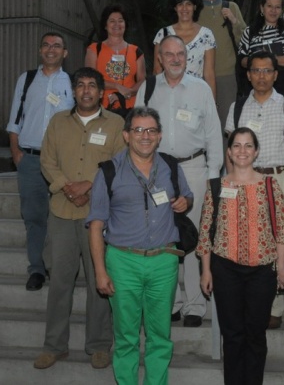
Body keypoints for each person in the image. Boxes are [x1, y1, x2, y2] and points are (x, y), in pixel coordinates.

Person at [87, 106, 194, 385]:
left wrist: (185, 202)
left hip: (164, 261)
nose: (145, 136)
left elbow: (187, 196)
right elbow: (96, 226)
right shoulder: (109, 171)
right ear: (126, 135)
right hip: (123, 262)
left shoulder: (171, 166)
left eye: (151, 130)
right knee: (126, 337)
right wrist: (100, 271)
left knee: (160, 336)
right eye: (138, 130)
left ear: (159, 136)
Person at [35, 67, 126, 370]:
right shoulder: (58, 122)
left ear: (101, 92)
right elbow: (47, 161)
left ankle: (98, 345)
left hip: (98, 214)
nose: (86, 91)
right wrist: (67, 187)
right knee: (60, 282)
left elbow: (119, 163)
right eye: (81, 85)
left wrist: (89, 185)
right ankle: (54, 346)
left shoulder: (116, 124)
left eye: (92, 86)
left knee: (99, 280)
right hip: (62, 211)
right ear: (73, 91)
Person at [138, 35, 223, 328]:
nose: (175, 59)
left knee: (195, 235)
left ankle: (195, 304)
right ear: (160, 58)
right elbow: (136, 130)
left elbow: (213, 133)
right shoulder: (148, 88)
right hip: (158, 171)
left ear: (187, 58)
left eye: (180, 54)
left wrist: (214, 175)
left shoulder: (201, 89)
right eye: (169, 54)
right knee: (162, 237)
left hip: (194, 168)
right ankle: (170, 302)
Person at [197, 127, 284, 385]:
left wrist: (281, 267)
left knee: (256, 335)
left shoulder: (270, 185)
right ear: (229, 152)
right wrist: (206, 271)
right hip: (225, 270)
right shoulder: (216, 186)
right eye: (237, 145)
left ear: (256, 151)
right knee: (232, 336)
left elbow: (282, 230)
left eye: (248, 145)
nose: (242, 150)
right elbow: (205, 233)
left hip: (262, 272)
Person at [225, 51, 284, 329]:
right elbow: (230, 148)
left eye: (267, 70)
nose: (261, 76)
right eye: (256, 71)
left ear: (275, 74)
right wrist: (231, 180)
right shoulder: (238, 107)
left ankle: (274, 307)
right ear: (248, 75)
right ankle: (246, 301)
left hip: (278, 180)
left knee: (277, 243)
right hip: (243, 181)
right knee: (244, 241)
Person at [6, 32, 75, 291]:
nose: (51, 49)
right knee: (34, 217)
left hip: (61, 162)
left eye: (56, 46)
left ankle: (57, 267)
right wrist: (16, 153)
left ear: (64, 53)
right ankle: (36, 268)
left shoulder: (73, 82)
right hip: (31, 160)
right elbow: (15, 119)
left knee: (60, 218)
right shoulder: (26, 80)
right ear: (40, 50)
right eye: (46, 45)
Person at [197, 0, 247, 133]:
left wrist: (234, 21)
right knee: (200, 124)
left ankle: (227, 152)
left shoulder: (231, 7)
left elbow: (245, 41)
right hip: (198, 76)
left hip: (227, 76)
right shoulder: (192, 9)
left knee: (227, 125)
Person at [237, 0, 284, 97]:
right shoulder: (250, 31)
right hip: (254, 86)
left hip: (283, 86)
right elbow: (241, 58)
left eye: (277, 7)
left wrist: (270, 60)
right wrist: (257, 63)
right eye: (269, 6)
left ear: (281, 10)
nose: (273, 10)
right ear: (262, 8)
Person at [153, 0, 217, 98]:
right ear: (175, 8)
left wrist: (213, 103)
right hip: (168, 94)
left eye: (188, 4)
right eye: (180, 4)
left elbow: (209, 74)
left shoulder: (206, 35)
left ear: (195, 7)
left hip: (196, 95)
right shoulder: (163, 34)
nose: (184, 8)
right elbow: (157, 70)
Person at [85, 4, 146, 111]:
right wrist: (117, 86)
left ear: (125, 24)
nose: (117, 24)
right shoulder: (94, 50)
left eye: (120, 21)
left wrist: (129, 92)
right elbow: (90, 79)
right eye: (112, 21)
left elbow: (142, 80)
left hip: (130, 108)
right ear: (105, 25)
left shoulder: (136, 51)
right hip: (101, 108)